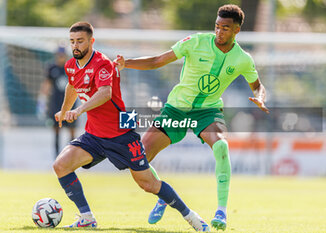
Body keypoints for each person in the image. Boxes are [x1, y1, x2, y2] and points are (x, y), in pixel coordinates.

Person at [114, 4, 269, 231]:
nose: (219, 32)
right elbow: (158, 60)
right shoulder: (196, 42)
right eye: (217, 26)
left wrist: (261, 98)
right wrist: (126, 63)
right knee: (139, 160)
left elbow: (258, 86)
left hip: (208, 112)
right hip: (176, 109)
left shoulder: (242, 59)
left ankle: (221, 212)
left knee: (222, 147)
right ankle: (165, 195)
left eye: (225, 28)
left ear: (236, 30)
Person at [52, 21, 210, 231]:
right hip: (94, 136)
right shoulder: (71, 65)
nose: (75, 46)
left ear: (91, 41)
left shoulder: (103, 63)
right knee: (61, 166)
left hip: (120, 135)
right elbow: (72, 85)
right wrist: (64, 111)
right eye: (72, 42)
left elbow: (105, 93)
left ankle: (192, 217)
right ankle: (87, 217)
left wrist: (78, 110)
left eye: (80, 41)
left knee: (149, 185)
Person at [39, 47, 76, 157]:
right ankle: (56, 156)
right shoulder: (52, 68)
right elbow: (47, 84)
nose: (60, 57)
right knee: (56, 130)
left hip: (70, 104)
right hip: (56, 104)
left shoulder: (71, 67)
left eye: (62, 55)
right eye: (59, 55)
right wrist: (42, 100)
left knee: (72, 130)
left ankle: (71, 155)